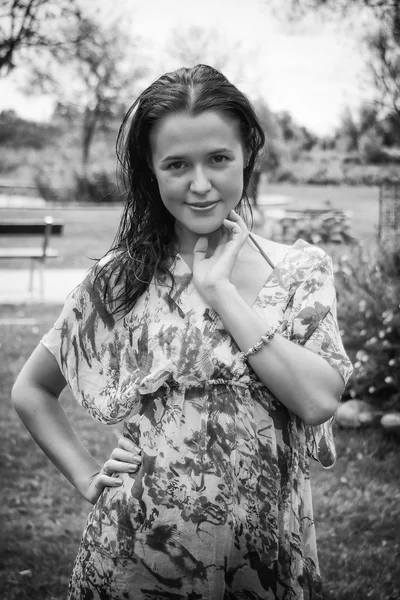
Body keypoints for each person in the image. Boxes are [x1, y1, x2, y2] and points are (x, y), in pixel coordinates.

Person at [12, 64, 353, 600]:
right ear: (152, 173)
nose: (200, 185)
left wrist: (221, 292)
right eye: (176, 165)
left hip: (263, 557)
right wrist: (85, 477)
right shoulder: (123, 278)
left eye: (218, 158)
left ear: (247, 156)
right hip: (137, 553)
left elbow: (317, 400)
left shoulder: (300, 271)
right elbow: (31, 390)